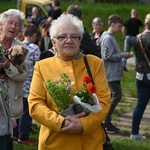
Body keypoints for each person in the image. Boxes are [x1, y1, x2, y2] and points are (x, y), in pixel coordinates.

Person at [28, 14, 111, 150]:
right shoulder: (42, 66)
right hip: (55, 142)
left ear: (80, 40)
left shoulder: (95, 63)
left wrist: (83, 124)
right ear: (54, 42)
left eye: (74, 36)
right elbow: (35, 105)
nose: (69, 40)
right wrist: (61, 122)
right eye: (62, 37)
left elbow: (104, 101)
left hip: (91, 142)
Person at [97, 14, 132, 134]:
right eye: (119, 26)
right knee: (116, 96)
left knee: (113, 96)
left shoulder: (110, 37)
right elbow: (107, 56)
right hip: (110, 73)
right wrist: (123, 55)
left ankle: (107, 121)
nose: (120, 28)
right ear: (112, 24)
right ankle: (105, 121)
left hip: (113, 72)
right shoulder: (107, 38)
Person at [0, 8, 28, 148]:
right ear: (1, 24)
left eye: (17, 25)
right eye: (10, 23)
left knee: (5, 142)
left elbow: (24, 75)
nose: (13, 27)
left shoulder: (22, 48)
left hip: (10, 103)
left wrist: (7, 67)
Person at [16, 24, 41, 145]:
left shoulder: (17, 45)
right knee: (27, 111)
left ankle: (15, 134)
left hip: (18, 83)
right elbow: (38, 65)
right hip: (29, 83)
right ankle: (24, 136)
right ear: (34, 35)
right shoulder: (35, 48)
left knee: (17, 110)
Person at [130, 13, 150, 140]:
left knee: (140, 105)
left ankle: (134, 133)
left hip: (140, 74)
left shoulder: (137, 37)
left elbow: (138, 56)